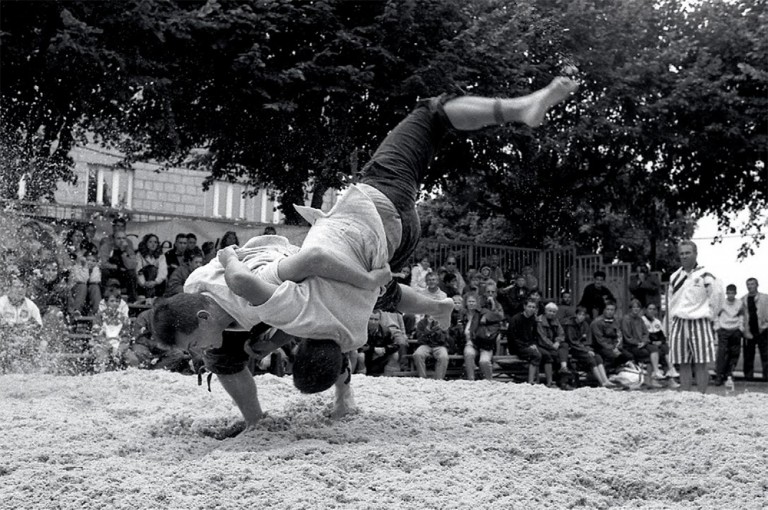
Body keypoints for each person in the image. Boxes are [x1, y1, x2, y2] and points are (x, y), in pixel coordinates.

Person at [154, 77, 579, 426]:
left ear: (205, 316)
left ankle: (429, 311)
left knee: (359, 299)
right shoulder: (230, 294)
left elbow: (296, 292)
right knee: (431, 112)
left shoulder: (270, 300)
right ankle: (520, 107)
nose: (194, 354)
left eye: (191, 345)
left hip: (380, 230)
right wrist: (232, 258)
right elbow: (299, 287)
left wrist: (366, 281)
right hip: (373, 222)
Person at [666, 240, 720, 393]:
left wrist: (711, 315)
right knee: (682, 361)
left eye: (687, 253)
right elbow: (671, 302)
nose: (684, 256)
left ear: (695, 254)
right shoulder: (674, 276)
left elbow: (717, 296)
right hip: (679, 321)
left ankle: (701, 396)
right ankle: (686, 396)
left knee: (701, 361)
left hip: (699, 321)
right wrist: (670, 324)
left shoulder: (705, 274)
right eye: (681, 253)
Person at [563, 306, 615, 388]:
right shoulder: (570, 325)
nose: (581, 317)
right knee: (591, 359)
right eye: (580, 314)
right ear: (576, 314)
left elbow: (588, 340)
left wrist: (588, 349)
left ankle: (606, 380)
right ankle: (602, 382)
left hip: (585, 348)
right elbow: (572, 341)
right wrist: (586, 350)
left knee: (597, 357)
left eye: (583, 315)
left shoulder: (585, 324)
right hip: (575, 349)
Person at [620, 299, 663, 388]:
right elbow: (627, 336)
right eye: (634, 307)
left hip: (642, 343)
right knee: (646, 354)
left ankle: (655, 373)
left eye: (638, 307)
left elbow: (646, 333)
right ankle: (647, 380)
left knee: (655, 348)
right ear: (630, 308)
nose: (636, 309)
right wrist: (637, 343)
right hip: (630, 345)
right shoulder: (626, 319)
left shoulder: (640, 319)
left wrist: (644, 342)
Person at [713, 284, 744, 386]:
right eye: (729, 293)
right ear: (726, 293)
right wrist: (717, 328)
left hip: (735, 330)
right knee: (722, 353)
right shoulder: (721, 303)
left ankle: (729, 373)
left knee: (734, 353)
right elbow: (715, 315)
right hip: (724, 330)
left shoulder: (739, 303)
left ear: (735, 293)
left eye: (732, 293)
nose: (731, 295)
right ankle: (719, 375)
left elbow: (741, 316)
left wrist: (740, 328)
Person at [537, 302, 572, 389]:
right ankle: (561, 382)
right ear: (545, 311)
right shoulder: (540, 320)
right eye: (550, 311)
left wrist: (558, 342)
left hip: (555, 345)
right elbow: (542, 337)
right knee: (559, 356)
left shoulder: (555, 320)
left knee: (564, 345)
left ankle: (563, 368)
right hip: (543, 345)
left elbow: (561, 334)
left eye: (554, 312)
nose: (552, 313)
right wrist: (552, 345)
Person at [590, 301, 632, 371]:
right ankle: (607, 372)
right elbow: (600, 340)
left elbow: (619, 335)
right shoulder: (597, 322)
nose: (610, 312)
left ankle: (620, 371)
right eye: (608, 309)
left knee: (629, 355)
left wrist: (618, 347)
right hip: (600, 347)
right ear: (604, 310)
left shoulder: (616, 321)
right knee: (611, 355)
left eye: (612, 310)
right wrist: (612, 348)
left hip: (614, 346)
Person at [742, 277, 768, 382]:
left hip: (763, 329)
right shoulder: (743, 299)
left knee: (766, 354)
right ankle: (748, 377)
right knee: (748, 355)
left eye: (752, 284)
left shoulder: (765, 298)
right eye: (748, 284)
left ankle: (767, 377)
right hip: (749, 330)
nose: (750, 286)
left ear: (757, 285)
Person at [361, 310, 400, 376]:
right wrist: (374, 349)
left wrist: (384, 349)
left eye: (376, 319)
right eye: (371, 319)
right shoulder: (361, 330)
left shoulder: (386, 331)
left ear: (380, 320)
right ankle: (360, 377)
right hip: (365, 356)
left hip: (380, 357)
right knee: (360, 356)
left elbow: (396, 345)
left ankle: (387, 378)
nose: (373, 322)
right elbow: (357, 347)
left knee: (395, 355)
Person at [67, 251, 102, 316]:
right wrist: (85, 267)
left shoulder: (96, 269)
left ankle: (97, 310)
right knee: (83, 286)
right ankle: (77, 310)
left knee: (95, 287)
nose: (90, 262)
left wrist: (95, 268)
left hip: (89, 294)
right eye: (88, 260)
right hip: (76, 292)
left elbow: (95, 280)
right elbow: (83, 280)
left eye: (93, 261)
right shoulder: (76, 267)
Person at [136, 234, 168, 300]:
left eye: (155, 242)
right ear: (146, 243)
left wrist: (155, 282)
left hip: (156, 283)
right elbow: (138, 270)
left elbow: (163, 271)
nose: (153, 244)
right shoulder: (139, 255)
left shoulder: (161, 256)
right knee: (150, 269)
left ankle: (153, 296)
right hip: (144, 282)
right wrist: (144, 283)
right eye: (150, 242)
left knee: (154, 270)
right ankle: (146, 296)